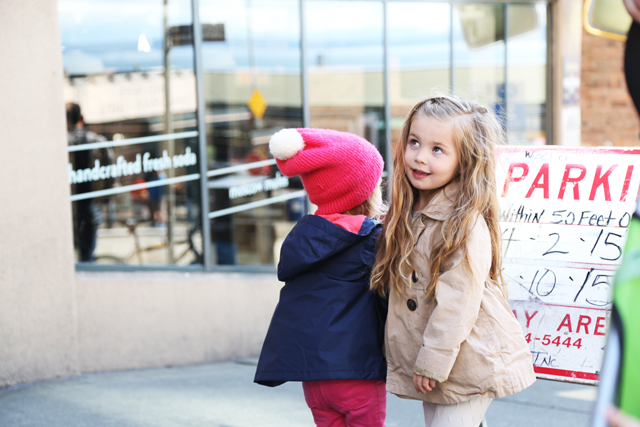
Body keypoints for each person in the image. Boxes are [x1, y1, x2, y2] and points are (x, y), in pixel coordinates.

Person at [370, 95, 536, 427]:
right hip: (444, 362)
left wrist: (431, 361)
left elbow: (458, 301)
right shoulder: (410, 211)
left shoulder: (463, 223)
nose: (419, 157)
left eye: (437, 150)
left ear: (464, 161)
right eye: (414, 142)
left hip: (467, 358)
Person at [254, 128, 388, 427]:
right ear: (363, 191)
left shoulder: (304, 240)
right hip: (356, 371)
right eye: (377, 181)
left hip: (313, 377)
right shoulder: (371, 240)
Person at [66, 102, 115, 261]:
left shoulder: (62, 142)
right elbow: (111, 169)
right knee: (87, 254)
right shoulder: (97, 140)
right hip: (91, 201)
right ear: (82, 118)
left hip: (69, 203)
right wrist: (108, 195)